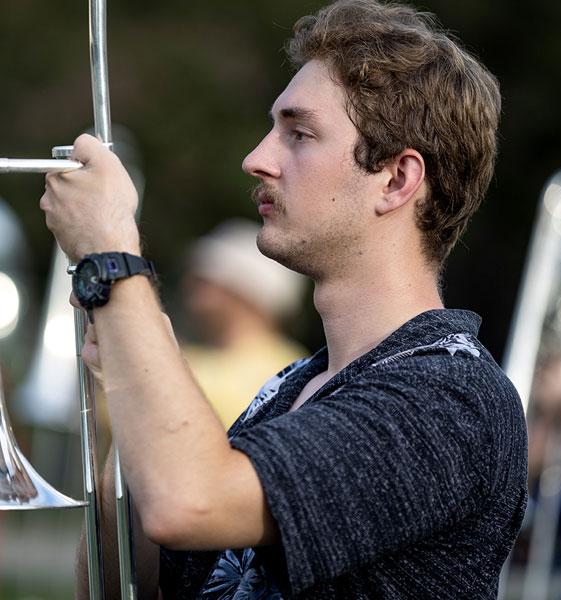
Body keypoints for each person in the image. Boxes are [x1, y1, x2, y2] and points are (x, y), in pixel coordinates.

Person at [40, 0, 528, 597]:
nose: (257, 159)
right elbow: (122, 585)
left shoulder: (453, 400)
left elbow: (188, 503)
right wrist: (126, 367)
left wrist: (113, 257)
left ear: (397, 180)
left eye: (299, 134)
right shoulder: (292, 386)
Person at [182, 219, 307, 427]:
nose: (190, 287)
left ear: (241, 294)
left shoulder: (273, 375)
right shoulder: (297, 365)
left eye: (205, 282)